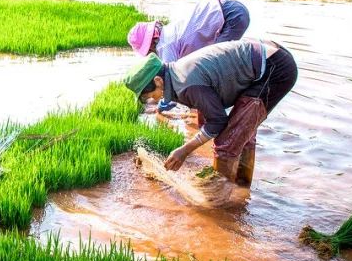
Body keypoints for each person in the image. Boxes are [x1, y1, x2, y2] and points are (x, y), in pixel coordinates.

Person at [125, 38, 298, 189]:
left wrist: (185, 150)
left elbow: (217, 121)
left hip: (274, 69)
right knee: (241, 133)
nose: (151, 101)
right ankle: (241, 188)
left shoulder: (186, 82)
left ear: (158, 80)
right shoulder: (176, 75)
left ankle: (220, 203)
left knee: (228, 141)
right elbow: (208, 108)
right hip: (264, 58)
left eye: (147, 96)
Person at [127, 0, 251, 63]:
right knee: (212, 59)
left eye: (148, 52)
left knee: (214, 62)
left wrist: (165, 101)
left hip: (231, 16)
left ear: (151, 45)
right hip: (230, 7)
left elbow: (171, 76)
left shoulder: (164, 46)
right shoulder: (170, 30)